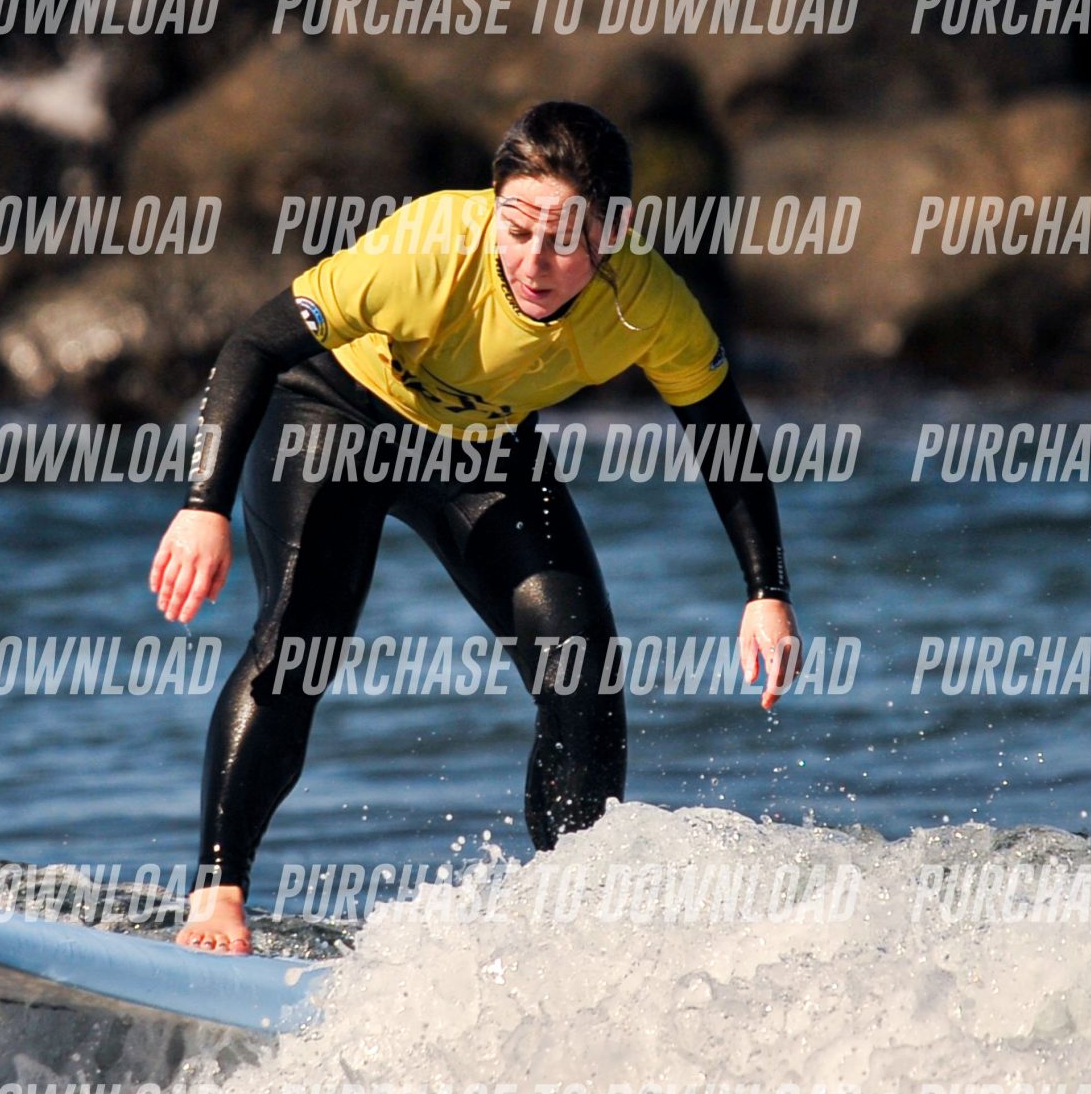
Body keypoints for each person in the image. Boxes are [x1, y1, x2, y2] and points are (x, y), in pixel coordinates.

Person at [150, 100, 800, 953]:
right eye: (516, 229)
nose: (532, 262)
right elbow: (253, 346)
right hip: (332, 416)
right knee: (299, 639)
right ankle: (218, 896)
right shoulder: (426, 250)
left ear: (614, 232)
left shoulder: (647, 302)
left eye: (562, 240)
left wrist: (765, 590)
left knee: (582, 665)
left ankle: (567, 917)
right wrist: (203, 505)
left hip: (482, 445)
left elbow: (721, 431)